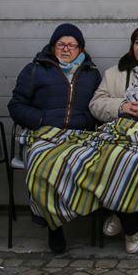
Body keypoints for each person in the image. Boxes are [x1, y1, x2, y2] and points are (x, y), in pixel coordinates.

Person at [21, 23, 138, 254]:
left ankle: (132, 224)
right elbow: (96, 104)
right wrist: (123, 106)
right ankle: (124, 211)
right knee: (105, 160)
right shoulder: (115, 72)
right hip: (119, 132)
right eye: (137, 42)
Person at [7, 23, 102, 252]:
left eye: (72, 45)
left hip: (79, 136)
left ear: (81, 49)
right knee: (46, 163)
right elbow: (16, 106)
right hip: (43, 134)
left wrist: (87, 121)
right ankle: (54, 225)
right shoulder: (35, 70)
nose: (66, 49)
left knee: (95, 162)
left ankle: (85, 214)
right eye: (61, 44)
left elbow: (97, 107)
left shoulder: (91, 73)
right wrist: (41, 119)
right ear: (53, 46)